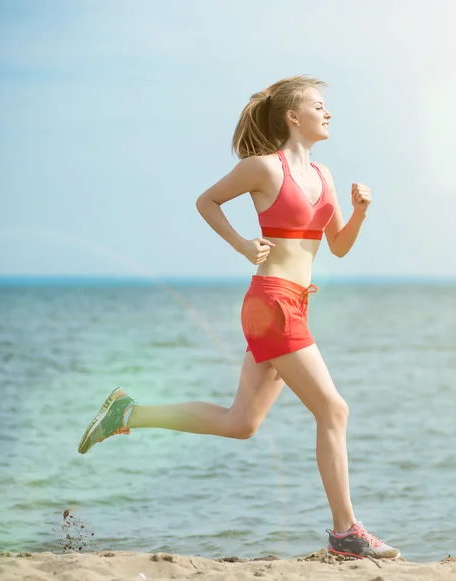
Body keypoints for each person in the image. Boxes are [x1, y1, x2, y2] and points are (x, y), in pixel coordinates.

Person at [78, 75, 400, 560]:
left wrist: (360, 212)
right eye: (319, 106)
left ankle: (128, 413)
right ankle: (345, 533)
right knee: (333, 409)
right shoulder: (263, 169)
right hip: (271, 302)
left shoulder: (326, 175)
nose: (328, 113)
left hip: (294, 300)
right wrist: (243, 245)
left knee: (242, 423)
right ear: (294, 117)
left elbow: (337, 246)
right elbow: (206, 201)